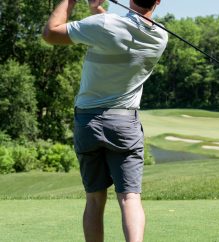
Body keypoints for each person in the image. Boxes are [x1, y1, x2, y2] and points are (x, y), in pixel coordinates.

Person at [42, 0, 168, 241]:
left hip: (88, 122)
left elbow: (51, 33)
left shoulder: (103, 24)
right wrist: (96, 9)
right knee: (130, 198)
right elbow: (123, 32)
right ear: (158, 0)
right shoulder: (160, 37)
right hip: (124, 124)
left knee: (95, 198)